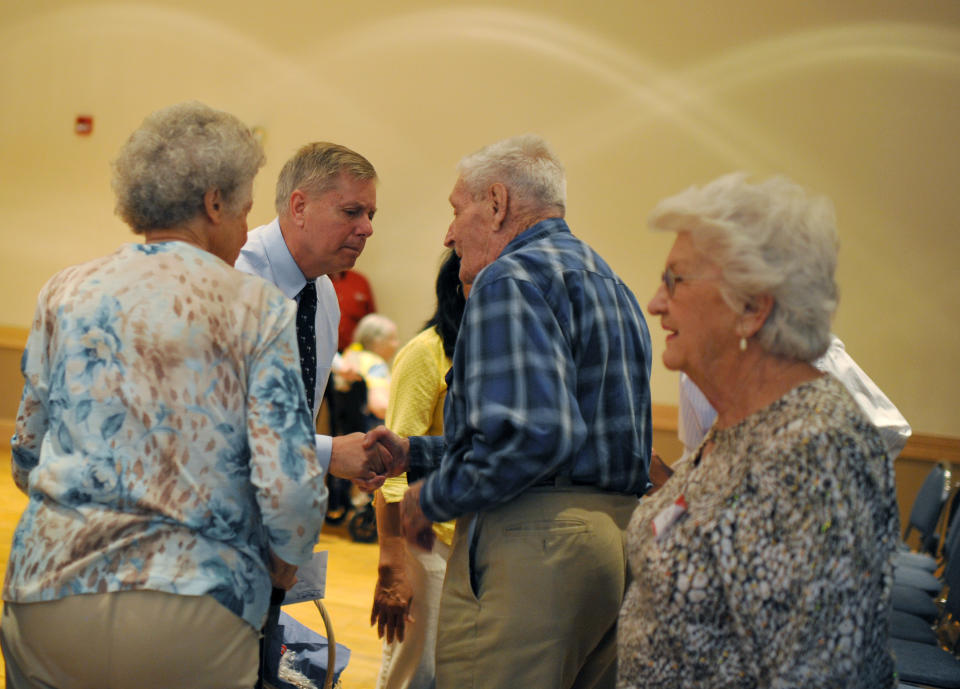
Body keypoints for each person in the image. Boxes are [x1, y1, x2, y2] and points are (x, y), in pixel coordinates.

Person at [0, 102, 335, 688]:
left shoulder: (65, 290)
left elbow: (27, 455)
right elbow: (290, 488)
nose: (242, 232)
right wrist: (285, 562)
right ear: (213, 203)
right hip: (189, 606)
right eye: (244, 211)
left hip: (46, 592)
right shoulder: (255, 308)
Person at [367, 135, 652, 689]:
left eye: (456, 210)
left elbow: (538, 438)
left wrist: (437, 497)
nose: (448, 234)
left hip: (537, 545)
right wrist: (417, 453)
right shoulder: (609, 281)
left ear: (496, 203)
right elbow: (543, 429)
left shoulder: (509, 276)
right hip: (615, 544)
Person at [618, 173, 898, 688]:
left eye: (675, 280)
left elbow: (819, 673)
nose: (656, 302)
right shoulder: (738, 424)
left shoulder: (813, 449)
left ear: (751, 307)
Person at [234, 140, 386, 686]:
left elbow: (296, 413)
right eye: (352, 212)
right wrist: (329, 454)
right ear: (298, 206)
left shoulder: (323, 294)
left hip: (276, 533)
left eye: (371, 214)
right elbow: (225, 426)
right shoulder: (235, 277)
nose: (367, 227)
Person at [371, 251, 466, 689]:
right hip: (426, 541)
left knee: (451, 668)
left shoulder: (485, 355)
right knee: (416, 669)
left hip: (471, 540)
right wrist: (393, 563)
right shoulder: (426, 354)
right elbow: (391, 463)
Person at [675, 337, 911, 465]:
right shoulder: (691, 372)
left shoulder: (810, 356)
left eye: (677, 281)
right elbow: (694, 463)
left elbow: (889, 433)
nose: (658, 302)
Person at [339, 313, 400, 428]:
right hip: (372, 434)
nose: (397, 344)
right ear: (377, 341)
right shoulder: (375, 364)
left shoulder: (349, 355)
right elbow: (380, 406)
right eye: (393, 338)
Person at [331, 268, 377, 352]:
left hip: (356, 351)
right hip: (322, 351)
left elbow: (372, 320)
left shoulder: (360, 281)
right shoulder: (316, 281)